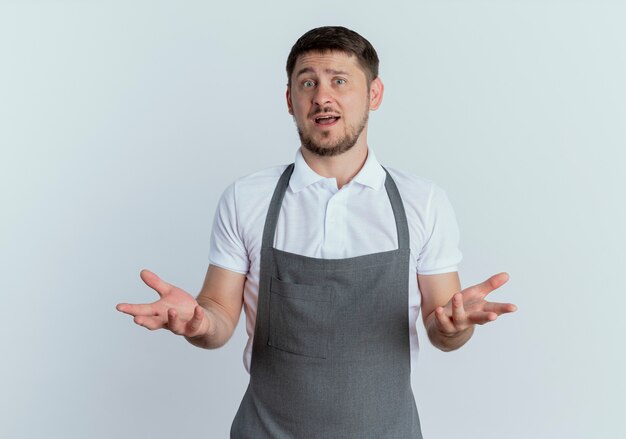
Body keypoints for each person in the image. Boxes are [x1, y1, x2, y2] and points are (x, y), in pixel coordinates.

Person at [116, 26, 517, 439]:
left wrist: (456, 326)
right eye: (308, 82)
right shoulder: (246, 198)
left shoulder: (423, 201)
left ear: (374, 94)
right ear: (290, 99)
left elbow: (442, 325)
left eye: (339, 81)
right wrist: (197, 323)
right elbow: (218, 315)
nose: (322, 96)